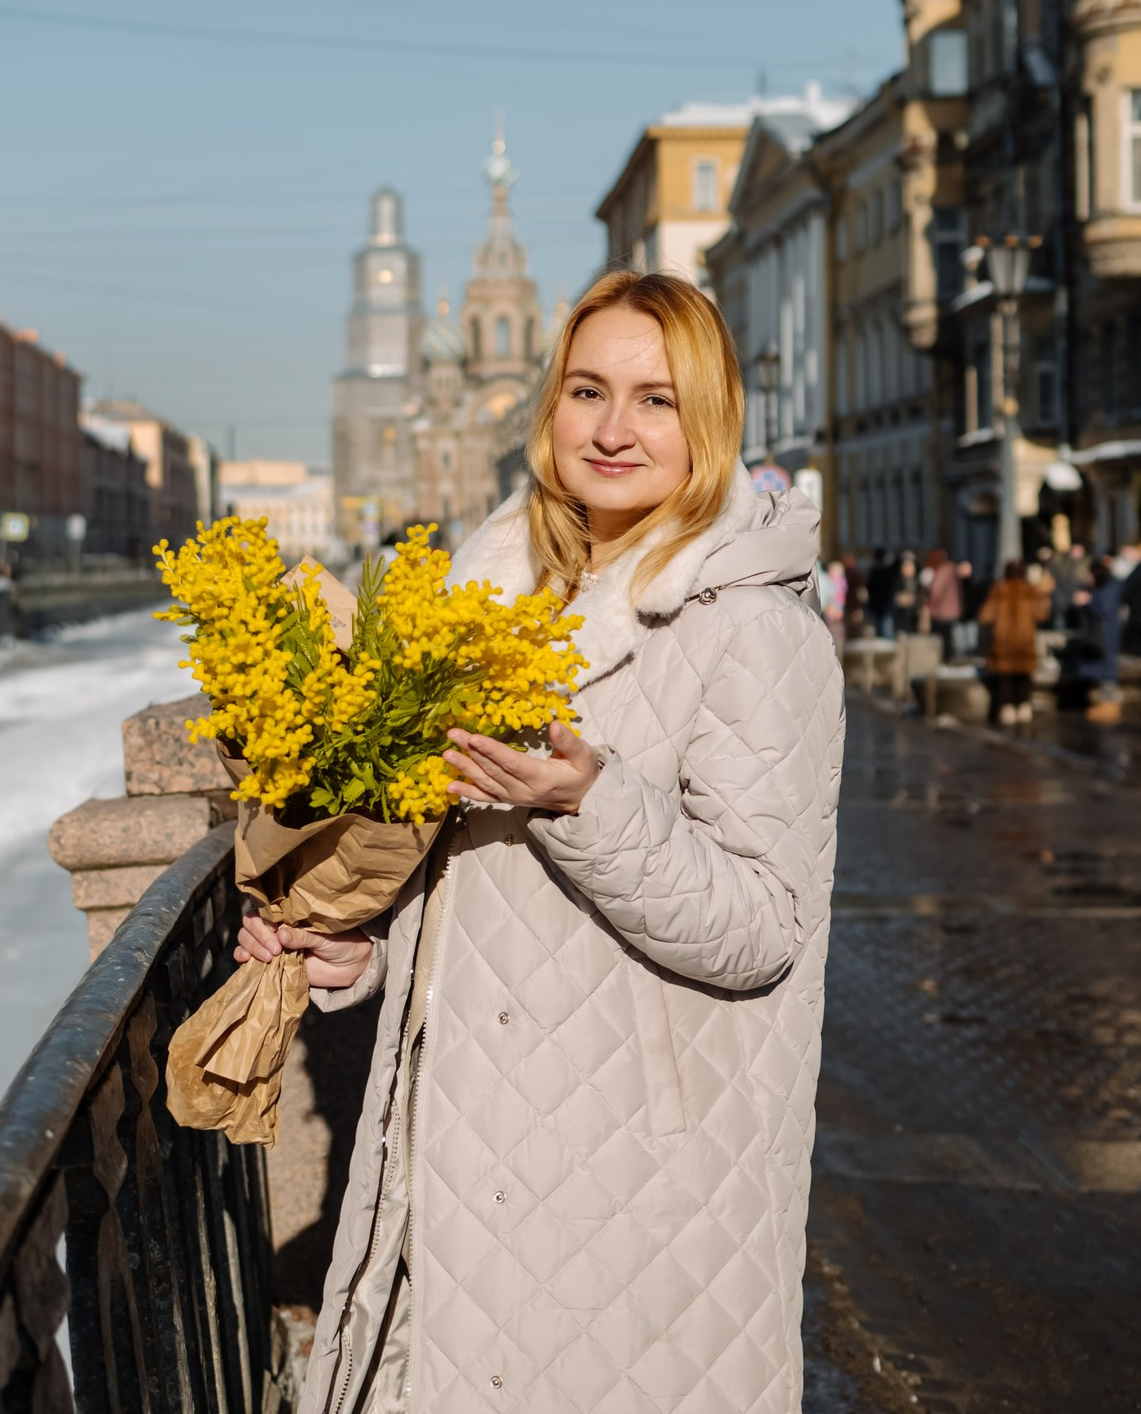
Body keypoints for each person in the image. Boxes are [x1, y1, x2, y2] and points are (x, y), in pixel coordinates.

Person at [237, 271, 845, 1414]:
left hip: (636, 1189)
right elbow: (481, 894)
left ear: (709, 422)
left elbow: (761, 931)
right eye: (586, 389)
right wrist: (367, 952)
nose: (612, 429)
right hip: (461, 1154)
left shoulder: (753, 630)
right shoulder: (490, 604)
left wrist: (587, 803)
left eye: (656, 400)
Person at [978, 559, 1050, 726]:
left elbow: (985, 615)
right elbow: (1042, 614)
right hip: (1025, 640)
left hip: (1003, 640)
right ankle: (1024, 706)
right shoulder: (1030, 590)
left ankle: (1008, 708)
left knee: (1006, 676)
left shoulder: (999, 590)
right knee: (1024, 675)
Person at [1074, 558, 1127, 724]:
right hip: (1106, 634)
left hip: (1106, 635)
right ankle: (1106, 705)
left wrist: (1087, 602)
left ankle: (1109, 706)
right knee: (1106, 669)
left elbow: (1103, 609)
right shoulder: (1112, 586)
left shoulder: (1109, 588)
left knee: (1108, 671)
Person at [926, 548, 964, 660]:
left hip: (941, 611)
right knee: (948, 638)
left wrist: (930, 605)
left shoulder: (942, 571)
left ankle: (942, 659)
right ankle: (948, 657)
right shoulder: (953, 570)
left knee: (940, 639)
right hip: (953, 609)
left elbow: (936, 591)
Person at [866, 545, 898, 639]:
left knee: (884, 634)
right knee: (883, 634)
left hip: (883, 607)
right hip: (883, 607)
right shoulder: (886, 572)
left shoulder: (879, 572)